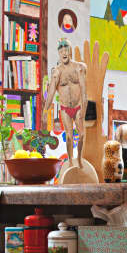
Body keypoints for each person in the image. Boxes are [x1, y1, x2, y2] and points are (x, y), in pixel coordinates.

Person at [42, 38, 87, 167]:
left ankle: (79, 158)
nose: (64, 53)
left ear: (70, 51)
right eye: (61, 51)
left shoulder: (79, 68)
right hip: (65, 108)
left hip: (78, 106)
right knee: (69, 136)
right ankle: (71, 161)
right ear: (59, 53)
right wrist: (45, 110)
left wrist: (84, 109)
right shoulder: (56, 72)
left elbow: (84, 90)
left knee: (82, 134)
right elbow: (51, 92)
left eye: (66, 50)